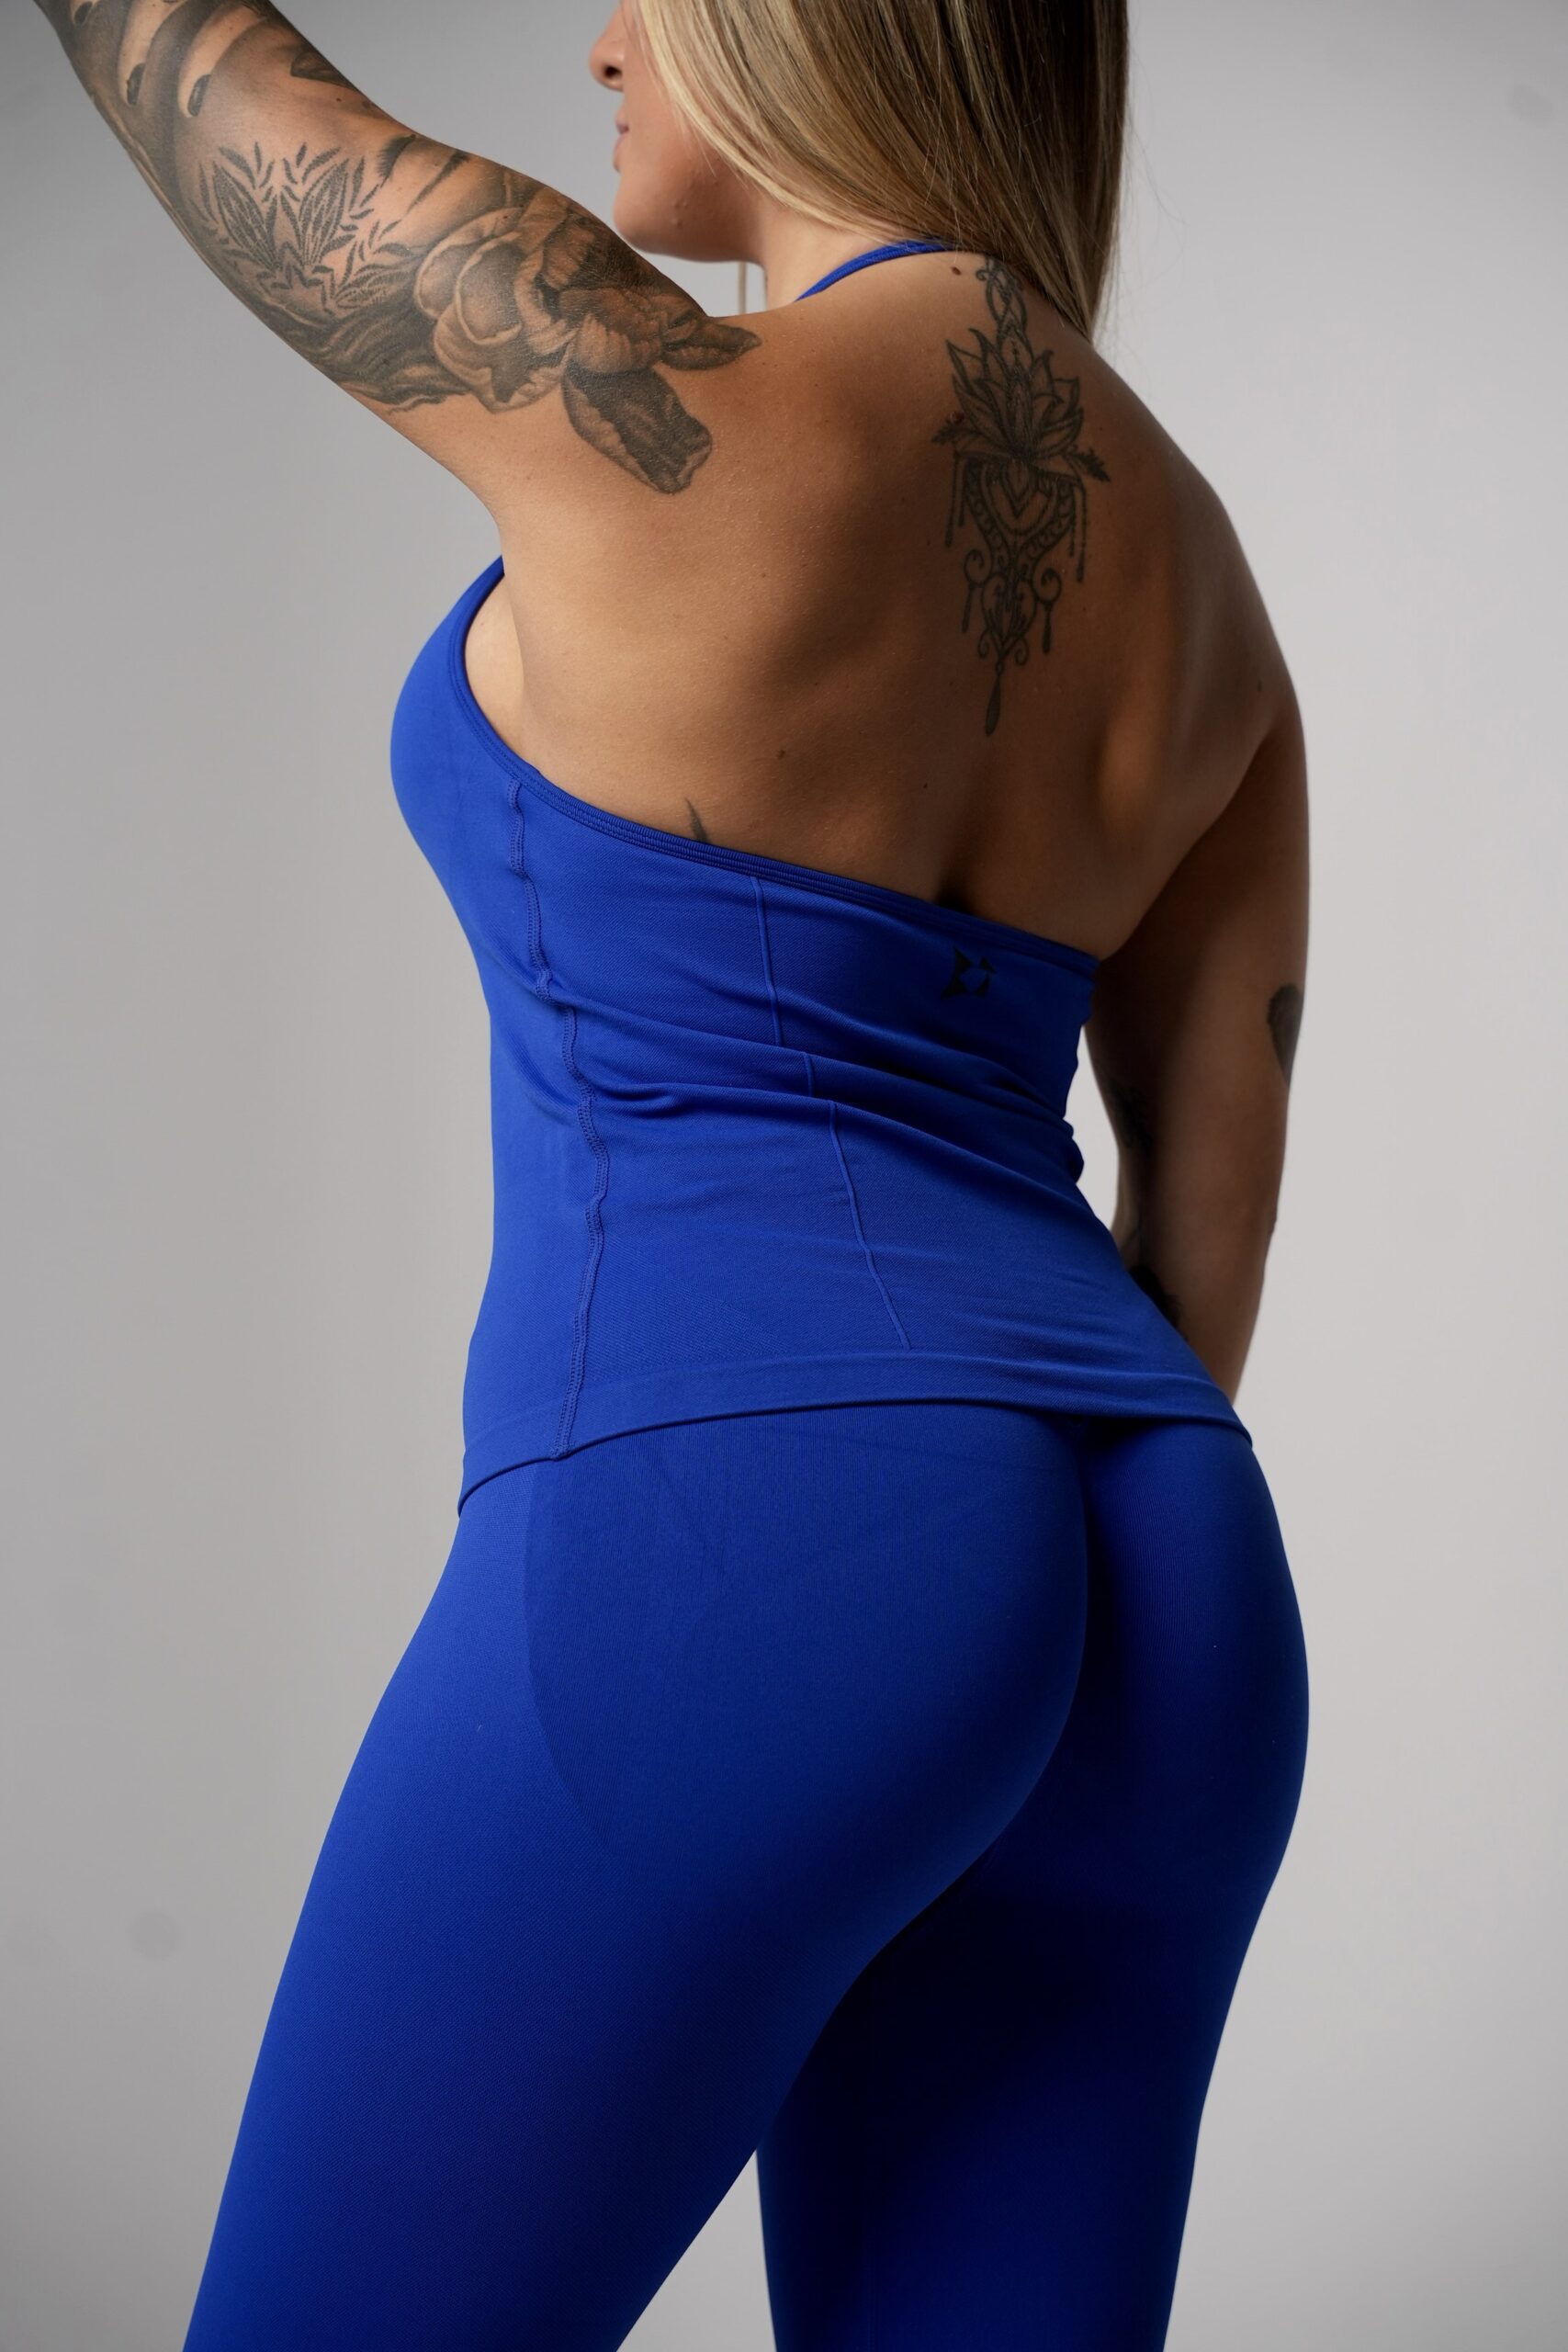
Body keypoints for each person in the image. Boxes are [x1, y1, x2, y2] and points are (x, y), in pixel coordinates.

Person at [29, 0, 1311, 2344]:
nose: (609, 39)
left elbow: (211, 83)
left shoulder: (641, 391)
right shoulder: (1198, 570)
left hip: (752, 1510)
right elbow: (1205, 1220)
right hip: (1168, 1578)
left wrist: (873, 1584)